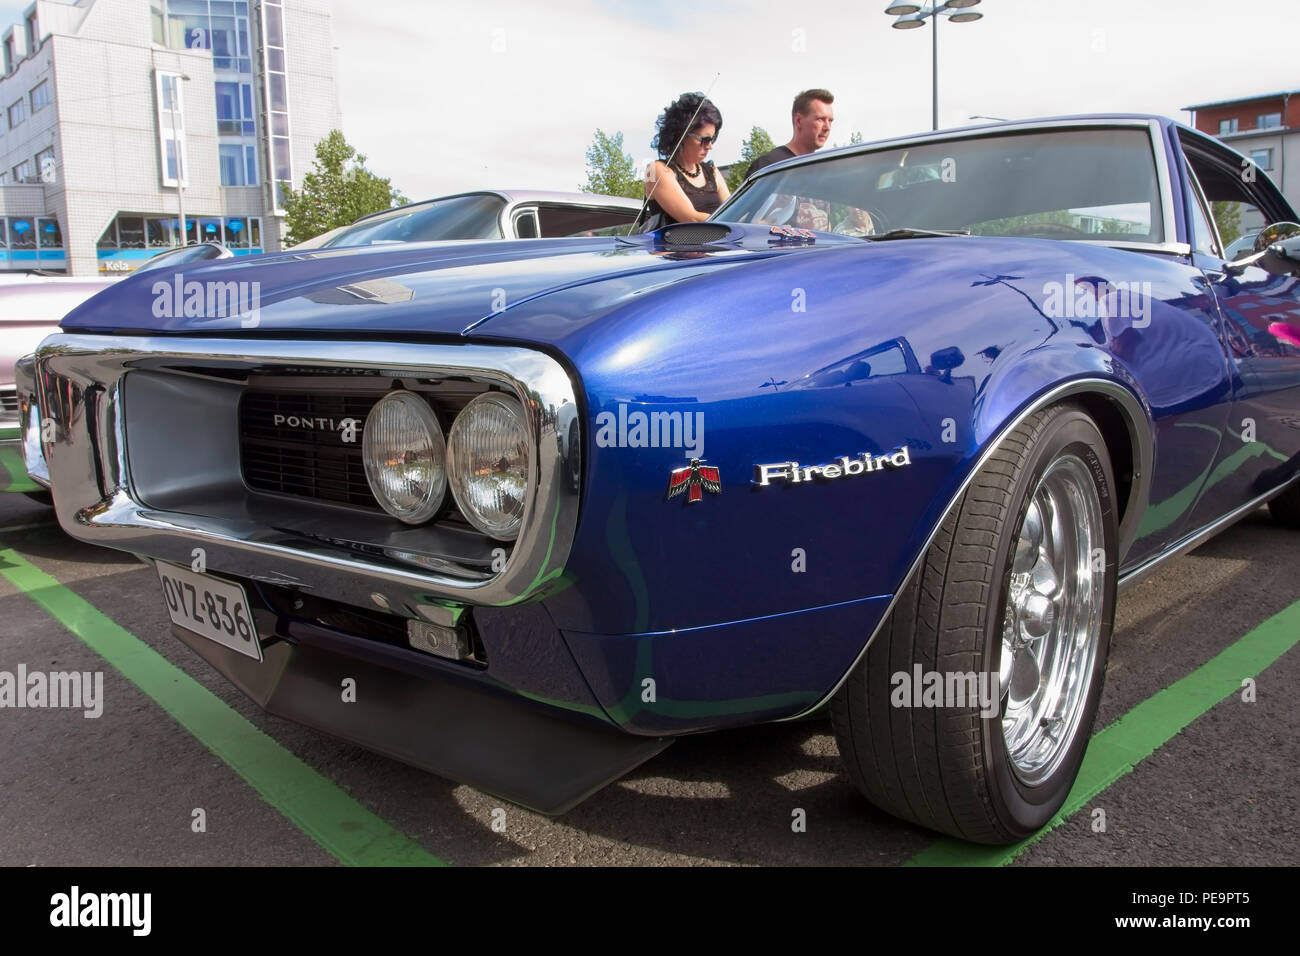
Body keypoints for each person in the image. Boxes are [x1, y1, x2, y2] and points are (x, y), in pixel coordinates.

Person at [641, 92, 730, 228]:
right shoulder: (655, 170)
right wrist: (734, 221)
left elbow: (734, 209)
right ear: (681, 135)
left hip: (717, 241)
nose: (709, 146)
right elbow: (691, 218)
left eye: (712, 139)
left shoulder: (712, 172)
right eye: (704, 139)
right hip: (677, 243)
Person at [746, 89, 835, 179]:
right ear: (798, 120)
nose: (827, 127)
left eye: (830, 121)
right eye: (820, 119)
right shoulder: (769, 166)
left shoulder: (823, 172)